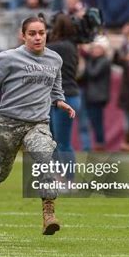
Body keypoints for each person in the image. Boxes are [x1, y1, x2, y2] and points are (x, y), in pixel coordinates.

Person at [0, 15, 76, 235]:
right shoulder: (8, 58)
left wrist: (60, 100)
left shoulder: (55, 59)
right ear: (23, 36)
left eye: (41, 33)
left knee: (45, 157)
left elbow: (55, 85)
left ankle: (49, 213)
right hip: (8, 123)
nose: (37, 38)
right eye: (32, 34)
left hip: (37, 123)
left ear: (47, 34)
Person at [47, 13, 81, 182]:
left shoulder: (59, 47)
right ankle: (60, 176)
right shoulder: (71, 45)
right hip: (63, 95)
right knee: (54, 141)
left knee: (63, 142)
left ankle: (68, 179)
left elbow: (41, 49)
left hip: (65, 96)